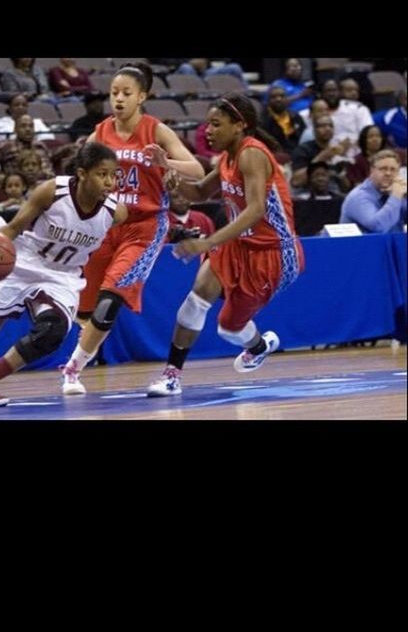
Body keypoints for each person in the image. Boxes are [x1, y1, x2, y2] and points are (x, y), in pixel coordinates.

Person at [143, 93, 304, 395]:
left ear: (239, 125)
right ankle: (171, 376)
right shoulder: (229, 156)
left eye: (216, 124)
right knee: (196, 299)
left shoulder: (252, 154)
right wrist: (168, 169)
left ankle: (258, 346)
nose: (208, 131)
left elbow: (255, 210)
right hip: (237, 245)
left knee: (228, 329)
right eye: (207, 124)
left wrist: (208, 243)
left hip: (272, 254)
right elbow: (201, 192)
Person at [59, 61, 205, 396]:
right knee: (86, 306)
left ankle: (72, 368)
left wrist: (165, 163)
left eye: (126, 93)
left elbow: (196, 169)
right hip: (105, 224)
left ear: (142, 96)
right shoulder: (101, 132)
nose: (118, 99)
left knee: (112, 297)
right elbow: (80, 174)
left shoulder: (156, 130)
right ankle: (81, 354)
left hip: (145, 226)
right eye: (114, 93)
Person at [0, 141, 127, 407]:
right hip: (25, 262)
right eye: (101, 174)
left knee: (53, 331)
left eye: (113, 175)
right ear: (82, 174)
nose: (109, 182)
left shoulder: (116, 212)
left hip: (63, 275)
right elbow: (14, 228)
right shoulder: (52, 191)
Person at [339, 150, 407, 233]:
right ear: (372, 171)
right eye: (383, 169)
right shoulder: (358, 197)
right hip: (363, 245)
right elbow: (379, 226)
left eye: (393, 169)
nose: (388, 173)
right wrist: (396, 196)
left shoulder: (397, 191)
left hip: (392, 245)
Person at [0, 114, 55, 180]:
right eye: (23, 126)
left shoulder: (41, 146)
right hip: (16, 186)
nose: (28, 129)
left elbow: (50, 168)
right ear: (15, 129)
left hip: (46, 183)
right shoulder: (5, 146)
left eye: (31, 126)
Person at [292, 160, 345, 236]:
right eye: (316, 175)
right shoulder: (302, 203)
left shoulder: (340, 201)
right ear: (309, 179)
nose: (320, 179)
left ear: (328, 177)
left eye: (323, 175)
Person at [261, 86, 306, 155]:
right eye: (274, 97)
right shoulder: (263, 120)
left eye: (282, 96)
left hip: (297, 154)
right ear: (268, 100)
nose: (278, 99)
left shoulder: (295, 117)